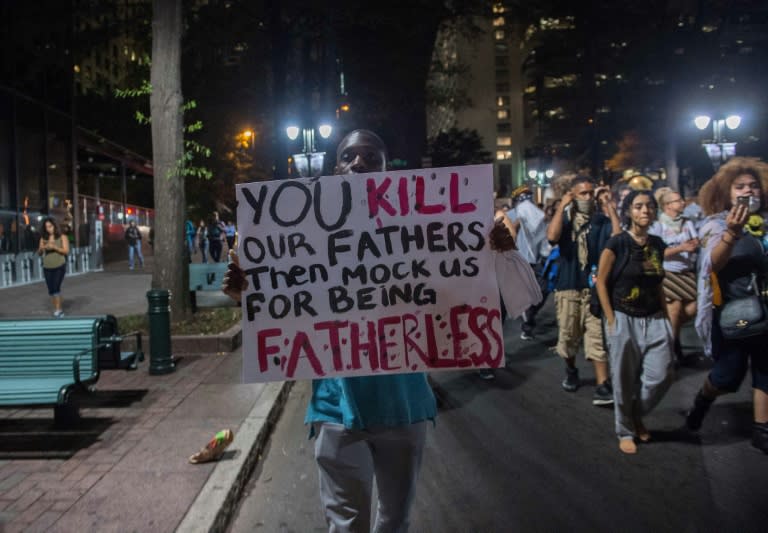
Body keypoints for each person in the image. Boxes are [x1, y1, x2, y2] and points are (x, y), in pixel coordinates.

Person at [223, 129, 517, 532]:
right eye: (348, 157)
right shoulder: (308, 234)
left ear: (387, 168)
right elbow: (287, 307)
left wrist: (495, 252)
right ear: (334, 168)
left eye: (370, 157)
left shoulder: (420, 228)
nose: (358, 163)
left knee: (395, 521)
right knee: (346, 526)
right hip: (336, 410)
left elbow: (461, 293)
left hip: (403, 407)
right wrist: (249, 294)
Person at [685, 157, 768, 455]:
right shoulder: (716, 224)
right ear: (727, 193)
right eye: (740, 187)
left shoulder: (766, 224)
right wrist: (733, 233)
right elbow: (711, 265)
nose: (749, 191)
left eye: (754, 186)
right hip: (735, 314)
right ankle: (702, 401)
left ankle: (762, 429)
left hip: (766, 309)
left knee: (765, 369)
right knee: (727, 376)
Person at [596, 190, 674, 454]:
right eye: (639, 206)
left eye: (650, 206)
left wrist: (666, 319)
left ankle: (635, 413)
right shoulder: (617, 243)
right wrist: (611, 319)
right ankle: (625, 430)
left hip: (655, 318)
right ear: (629, 211)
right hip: (623, 317)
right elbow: (601, 282)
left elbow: (659, 284)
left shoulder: (658, 244)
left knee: (661, 375)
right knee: (623, 379)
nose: (645, 211)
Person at [546, 175, 621, 405]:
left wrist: (608, 205)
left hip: (594, 290)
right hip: (568, 288)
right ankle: (571, 369)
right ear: (573, 196)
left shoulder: (601, 221)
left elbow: (618, 240)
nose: (588, 198)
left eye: (591, 193)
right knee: (568, 338)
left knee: (597, 337)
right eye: (583, 194)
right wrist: (562, 206)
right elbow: (552, 237)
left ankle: (602, 384)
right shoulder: (567, 221)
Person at [649, 187, 699, 364]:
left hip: (687, 272)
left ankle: (668, 336)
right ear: (667, 205)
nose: (682, 203)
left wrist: (697, 244)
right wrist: (680, 248)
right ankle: (668, 355)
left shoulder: (687, 223)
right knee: (675, 310)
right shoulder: (657, 226)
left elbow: (695, 241)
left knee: (695, 307)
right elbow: (654, 254)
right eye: (678, 201)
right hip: (668, 272)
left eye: (682, 200)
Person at [38, 217, 69, 317]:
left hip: (59, 265)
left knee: (56, 288)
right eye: (46, 227)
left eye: (50, 226)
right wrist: (41, 248)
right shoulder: (43, 238)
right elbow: (39, 253)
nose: (48, 229)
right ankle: (56, 307)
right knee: (51, 290)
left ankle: (59, 310)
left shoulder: (62, 237)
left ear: (55, 226)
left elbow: (66, 251)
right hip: (47, 266)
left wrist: (54, 247)